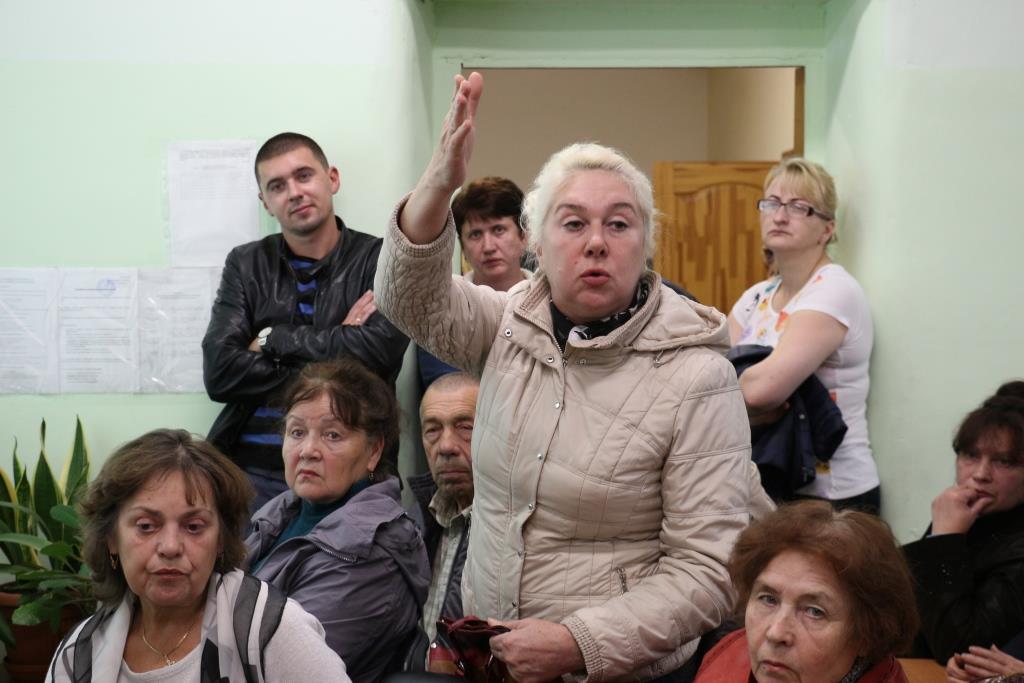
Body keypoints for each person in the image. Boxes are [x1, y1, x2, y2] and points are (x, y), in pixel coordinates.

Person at [375, 72, 772, 682]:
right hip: (498, 657)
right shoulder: (509, 326)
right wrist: (438, 183)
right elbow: (410, 300)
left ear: (645, 245)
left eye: (619, 224)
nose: (596, 243)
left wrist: (577, 643)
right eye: (573, 223)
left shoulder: (698, 376)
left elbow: (709, 571)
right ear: (537, 244)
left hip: (623, 671)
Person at [202, 132, 409, 513]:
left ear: (332, 179)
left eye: (303, 176)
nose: (294, 192)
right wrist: (339, 344)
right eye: (277, 186)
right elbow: (220, 372)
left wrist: (271, 339)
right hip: (250, 474)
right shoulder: (246, 264)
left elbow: (380, 353)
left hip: (350, 469)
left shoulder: (378, 258)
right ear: (265, 202)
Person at [47, 429, 349, 682]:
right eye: (146, 526)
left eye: (193, 526)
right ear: (112, 539)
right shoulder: (79, 655)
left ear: (221, 539)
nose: (170, 547)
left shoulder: (270, 629)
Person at [244, 359, 430, 683]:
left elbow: (281, 666)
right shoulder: (278, 516)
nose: (308, 450)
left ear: (374, 451)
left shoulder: (372, 552)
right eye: (297, 432)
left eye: (332, 435)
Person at [728, 158, 879, 512]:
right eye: (772, 203)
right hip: (770, 481)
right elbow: (707, 379)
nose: (780, 216)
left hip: (833, 494)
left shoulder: (834, 290)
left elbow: (760, 390)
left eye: (798, 207)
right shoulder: (756, 297)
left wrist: (741, 396)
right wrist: (745, 399)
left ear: (827, 229)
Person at [694, 500, 918, 683]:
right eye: (768, 599)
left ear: (866, 638)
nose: (776, 633)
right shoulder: (728, 655)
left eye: (814, 612)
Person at [904, 382, 1024, 664]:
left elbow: (956, 648)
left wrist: (945, 540)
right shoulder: (965, 511)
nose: (980, 474)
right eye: (971, 455)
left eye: (1004, 462)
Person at [417, 176, 530, 388]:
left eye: (498, 230)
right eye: (475, 234)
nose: (488, 247)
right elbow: (447, 388)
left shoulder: (555, 300)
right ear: (463, 248)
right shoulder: (444, 305)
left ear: (523, 236)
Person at [407, 372, 480, 644]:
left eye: (465, 427)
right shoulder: (412, 523)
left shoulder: (518, 528)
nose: (446, 446)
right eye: (433, 430)